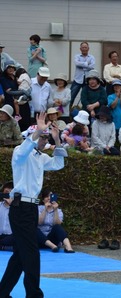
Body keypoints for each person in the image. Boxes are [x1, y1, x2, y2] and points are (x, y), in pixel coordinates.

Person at [0, 112, 67, 298]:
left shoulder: (41, 157)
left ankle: (2, 292)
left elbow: (58, 164)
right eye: (42, 137)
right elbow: (23, 150)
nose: (44, 140)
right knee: (31, 252)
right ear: (31, 136)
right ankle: (34, 294)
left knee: (20, 256)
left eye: (46, 137)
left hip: (30, 209)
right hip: (20, 208)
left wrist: (57, 139)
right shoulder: (19, 154)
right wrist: (38, 130)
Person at [37, 189, 75, 253]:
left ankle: (68, 247)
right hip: (40, 239)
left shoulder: (58, 211)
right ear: (43, 200)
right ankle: (52, 246)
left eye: (51, 196)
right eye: (47, 196)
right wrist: (45, 209)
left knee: (57, 227)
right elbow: (39, 222)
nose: (49, 198)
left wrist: (55, 210)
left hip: (52, 238)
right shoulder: (38, 208)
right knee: (33, 229)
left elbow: (57, 223)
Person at [70, 42, 96, 107]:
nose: (84, 49)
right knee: (71, 96)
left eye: (85, 47)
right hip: (77, 79)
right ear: (80, 49)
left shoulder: (91, 57)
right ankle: (68, 112)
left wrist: (82, 65)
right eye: (83, 47)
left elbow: (92, 66)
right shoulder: (77, 56)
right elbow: (77, 63)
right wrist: (87, 63)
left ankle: (85, 111)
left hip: (88, 80)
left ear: (88, 48)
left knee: (86, 98)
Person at [0, 181, 14, 251]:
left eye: (10, 193)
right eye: (6, 192)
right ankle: (3, 247)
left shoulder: (18, 208)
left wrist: (12, 205)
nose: (8, 195)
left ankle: (2, 246)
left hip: (11, 236)